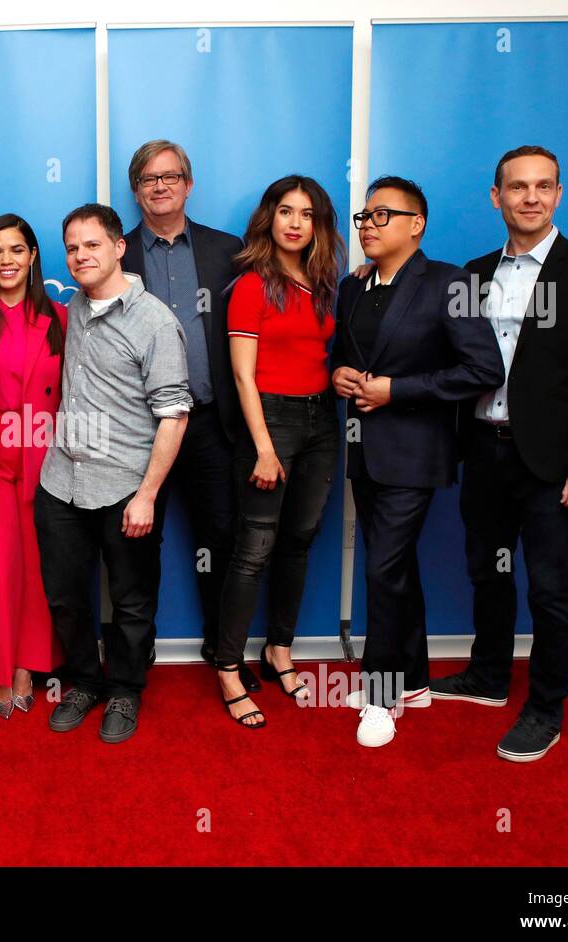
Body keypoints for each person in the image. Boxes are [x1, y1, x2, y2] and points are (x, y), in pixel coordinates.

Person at [431, 146, 568, 762]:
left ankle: (545, 707)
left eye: (543, 186)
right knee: (487, 573)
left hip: (554, 462)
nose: (531, 197)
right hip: (485, 450)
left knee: (550, 589)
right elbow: (454, 359)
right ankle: (489, 676)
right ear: (497, 197)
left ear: (560, 194)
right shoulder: (473, 272)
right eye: (518, 187)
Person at [332, 175, 503, 748]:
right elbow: (343, 355)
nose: (369, 226)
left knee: (383, 569)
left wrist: (396, 391)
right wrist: (340, 376)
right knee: (392, 568)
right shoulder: (354, 287)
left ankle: (381, 697)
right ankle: (415, 682)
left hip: (415, 454)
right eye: (364, 216)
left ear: (416, 224)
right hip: (365, 452)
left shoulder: (449, 282)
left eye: (382, 215)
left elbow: (483, 370)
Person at [37, 203, 192, 745]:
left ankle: (125, 690)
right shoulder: (76, 306)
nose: (80, 256)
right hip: (60, 481)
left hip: (126, 485)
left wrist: (147, 495)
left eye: (92, 246)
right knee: (65, 595)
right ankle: (83, 681)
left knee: (130, 601)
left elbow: (174, 413)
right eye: (72, 248)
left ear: (119, 247)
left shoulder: (154, 322)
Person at [120, 140, 253, 690]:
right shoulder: (116, 253)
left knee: (221, 538)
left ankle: (223, 651)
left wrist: (369, 272)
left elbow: (279, 294)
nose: (160, 186)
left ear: (188, 184)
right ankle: (135, 653)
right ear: (136, 189)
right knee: (134, 543)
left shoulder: (229, 251)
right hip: (138, 429)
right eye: (149, 178)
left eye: (171, 176)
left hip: (209, 423)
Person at [215, 175, 345, 728]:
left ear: (319, 224)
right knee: (254, 549)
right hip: (270, 420)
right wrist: (265, 449)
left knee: (299, 540)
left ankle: (279, 650)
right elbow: (243, 377)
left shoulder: (324, 282)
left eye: (307, 214)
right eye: (285, 211)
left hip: (321, 421)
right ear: (269, 218)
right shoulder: (251, 285)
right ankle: (226, 666)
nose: (295, 222)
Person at [0, 214, 66, 719]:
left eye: (17, 250)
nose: (7, 261)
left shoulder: (61, 318)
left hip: (44, 466)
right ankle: (0, 671)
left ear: (33, 256)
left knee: (38, 574)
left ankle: (28, 667)